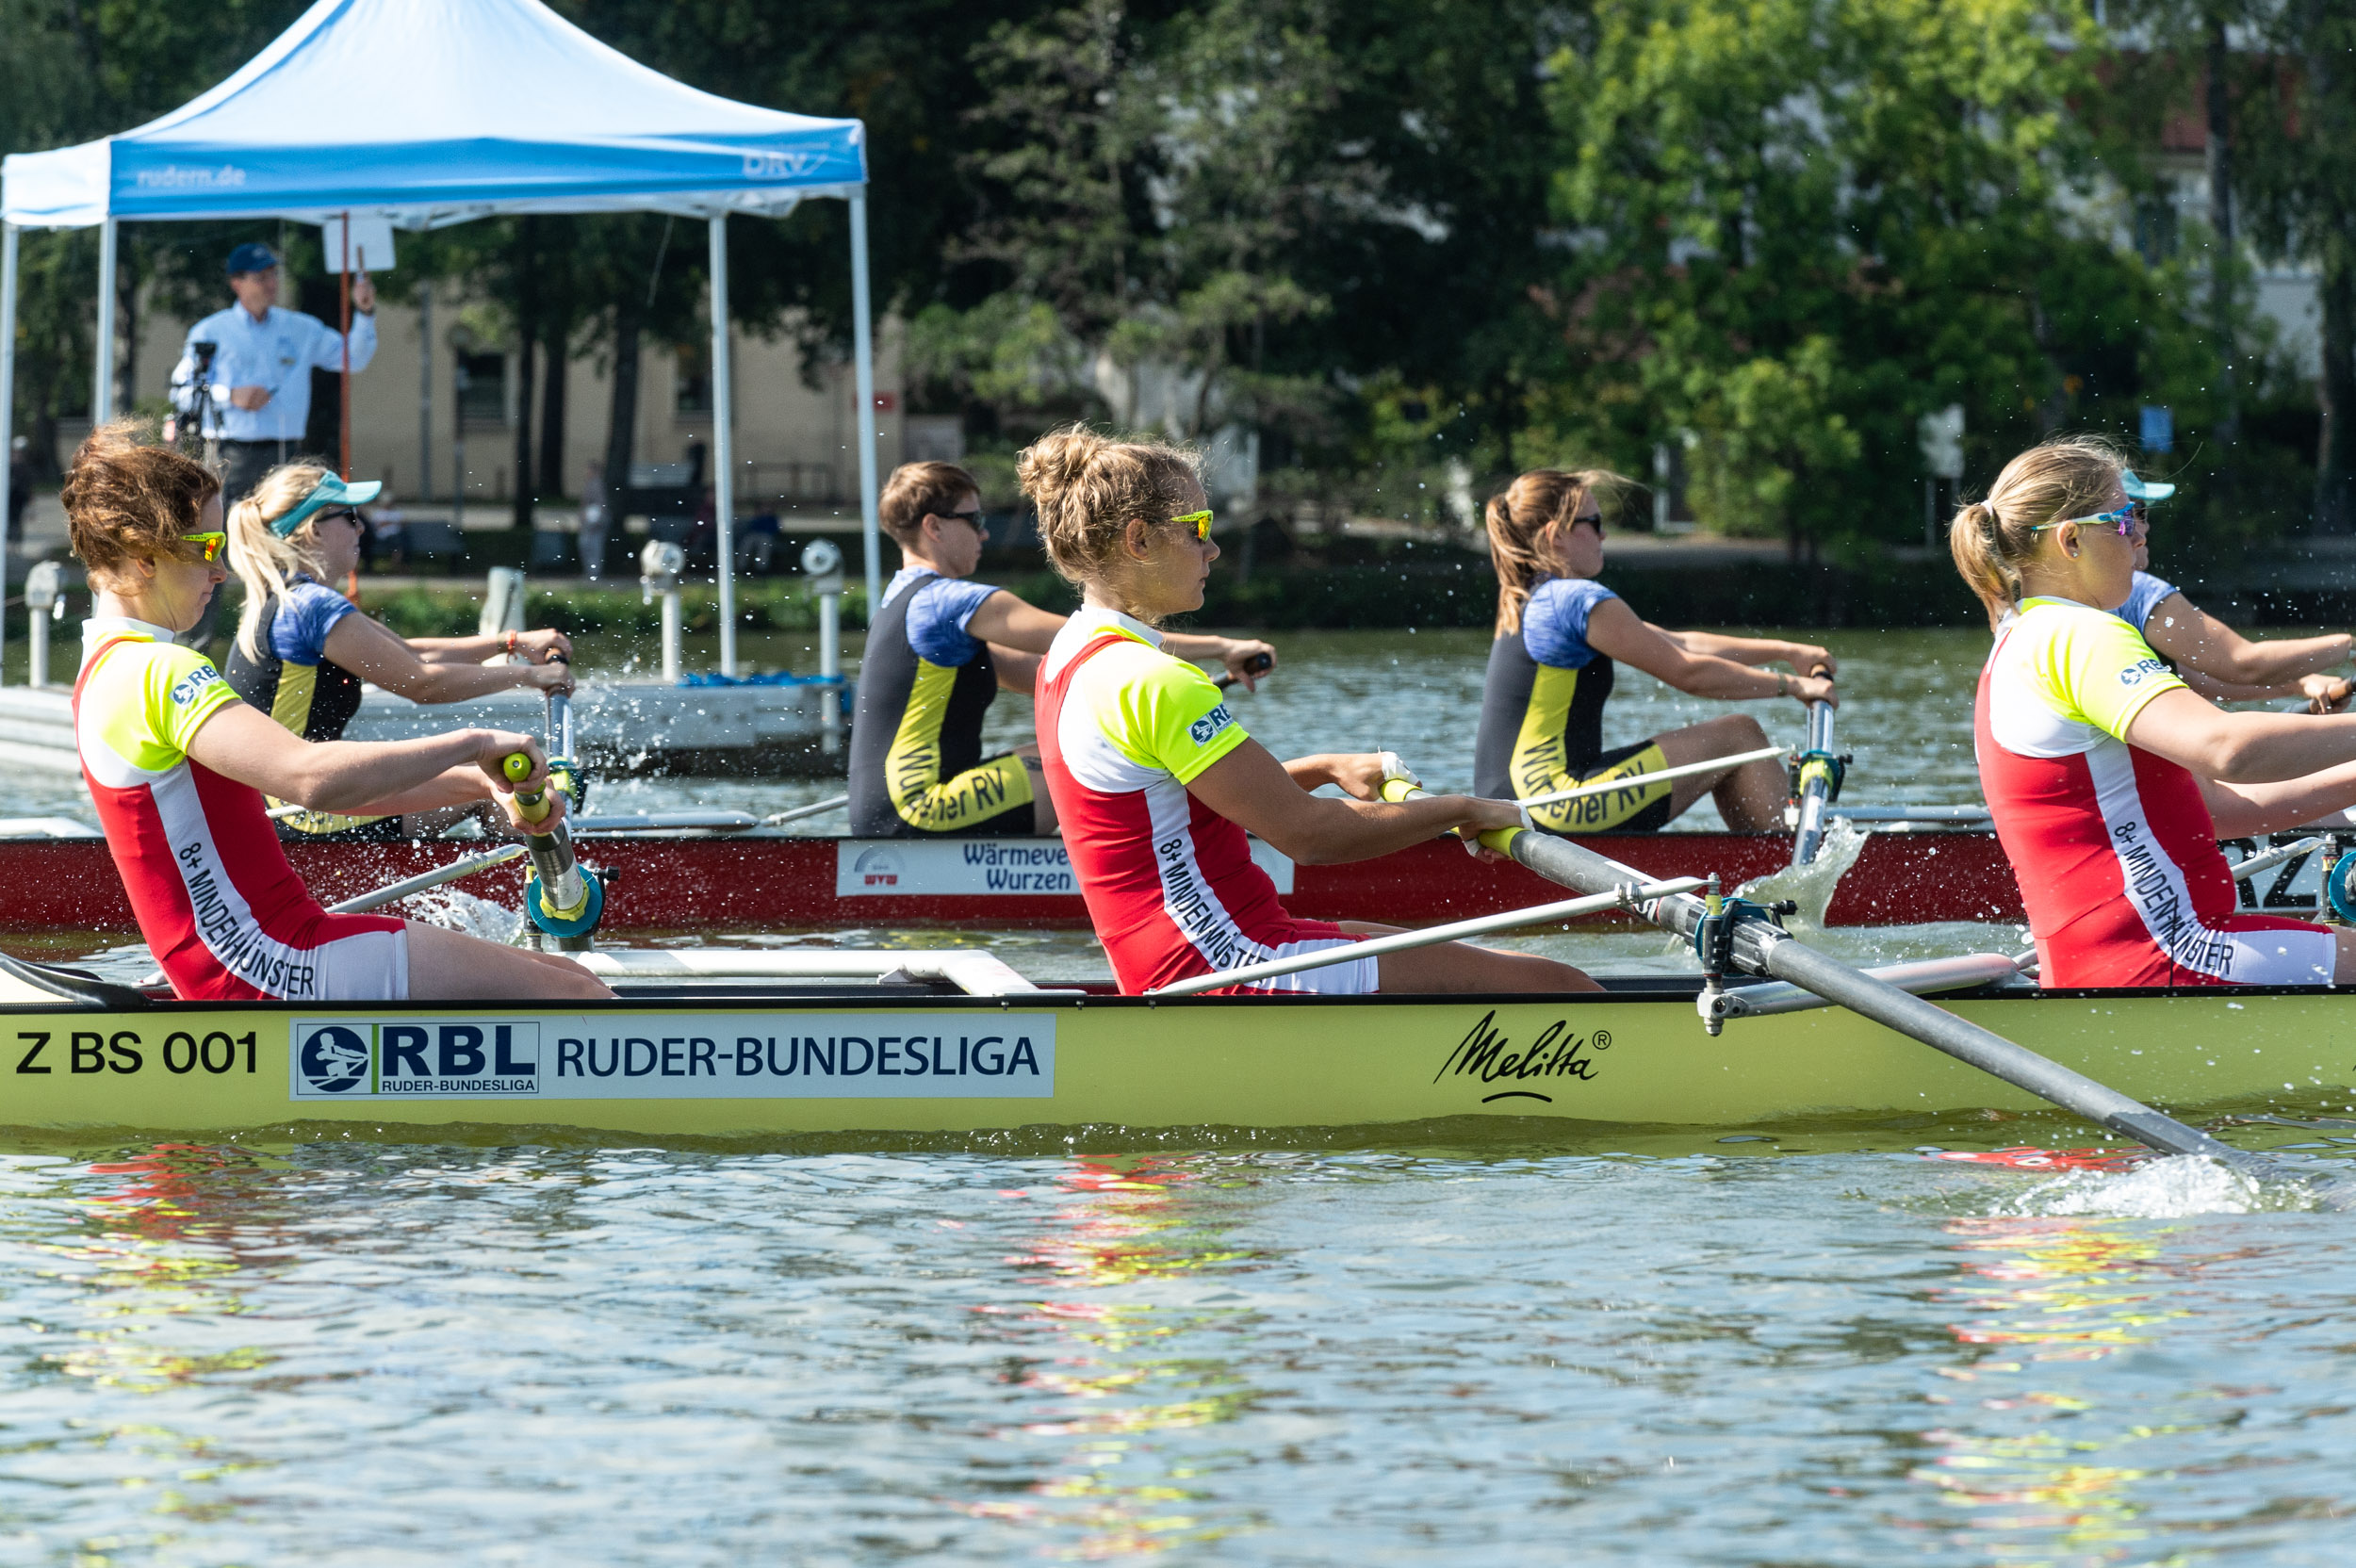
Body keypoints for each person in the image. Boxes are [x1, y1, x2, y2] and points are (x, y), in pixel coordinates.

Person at [1019, 427, 1595, 996]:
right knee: (1559, 985)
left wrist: (1320, 767)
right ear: (1138, 541)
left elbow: (1172, 809)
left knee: (1489, 963)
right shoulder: (1156, 680)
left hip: (1187, 958)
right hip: (1228, 963)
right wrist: (1465, 808)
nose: (1213, 549)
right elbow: (1308, 836)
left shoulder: (1066, 661)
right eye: (1198, 528)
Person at [61, 424, 608, 1002]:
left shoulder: (111, 669)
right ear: (145, 557)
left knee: (573, 981)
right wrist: (474, 745)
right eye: (205, 549)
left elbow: (294, 789)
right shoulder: (156, 671)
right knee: (581, 998)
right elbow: (311, 779)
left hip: (261, 956)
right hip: (266, 962)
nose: (220, 571)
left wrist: (476, 783)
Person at [1952, 434, 2356, 988]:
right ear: (2070, 540)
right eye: (2124, 520)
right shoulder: (2081, 636)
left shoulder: (2022, 638)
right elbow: (2228, 749)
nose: (2141, 534)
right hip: (2172, 953)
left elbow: (2216, 808)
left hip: (2105, 964)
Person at [848, 460, 1274, 839]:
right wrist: (1223, 648)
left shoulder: (901, 604)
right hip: (919, 809)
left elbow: (1046, 674)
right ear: (933, 527)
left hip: (886, 810)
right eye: (973, 518)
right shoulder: (945, 603)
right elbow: (1096, 638)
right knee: (1078, 761)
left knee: (1073, 749)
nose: (983, 531)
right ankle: (1144, 862)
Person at [221, 463, 579, 841]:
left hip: (281, 801)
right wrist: (530, 675)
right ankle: (543, 893)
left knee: (489, 783)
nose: (362, 527)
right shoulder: (311, 607)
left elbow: (409, 653)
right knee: (498, 785)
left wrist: (510, 643)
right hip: (299, 813)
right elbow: (421, 684)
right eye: (350, 516)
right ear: (314, 529)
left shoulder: (292, 599)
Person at [1473, 469, 1838, 834]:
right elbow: (1687, 672)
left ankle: (1762, 872)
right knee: (1739, 738)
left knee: (1733, 740)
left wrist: (1788, 651)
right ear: (1556, 536)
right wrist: (1794, 686)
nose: (1604, 534)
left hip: (1511, 805)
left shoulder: (1534, 599)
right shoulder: (1575, 599)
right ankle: (1793, 875)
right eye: (1594, 522)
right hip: (1551, 802)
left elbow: (1681, 644)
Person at [2110, 471, 2352, 710]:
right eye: (2137, 512)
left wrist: (2299, 683)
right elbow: (2244, 663)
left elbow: (2192, 679)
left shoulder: (2081, 600)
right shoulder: (2139, 590)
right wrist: (2350, 645)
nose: (2148, 525)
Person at [168, 242, 377, 507]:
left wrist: (365, 312)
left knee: (281, 534)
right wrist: (229, 395)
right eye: (260, 278)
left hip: (286, 451)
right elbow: (180, 391)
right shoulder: (210, 331)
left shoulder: (300, 328)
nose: (271, 284)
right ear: (237, 283)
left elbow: (353, 358)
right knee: (227, 533)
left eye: (273, 275)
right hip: (230, 452)